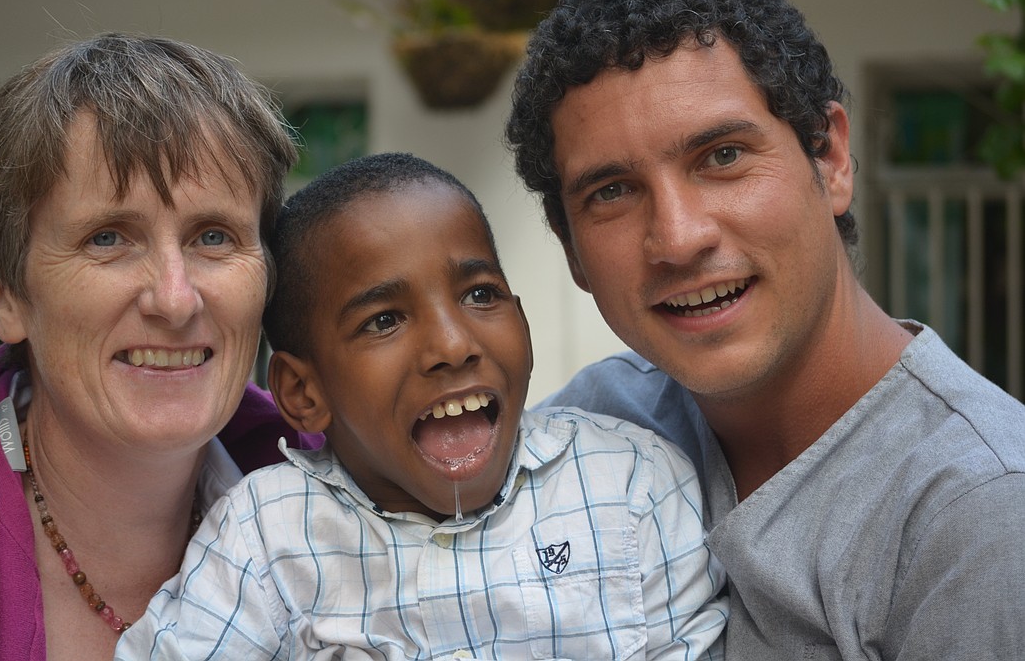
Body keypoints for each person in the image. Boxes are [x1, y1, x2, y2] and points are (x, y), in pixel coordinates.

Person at [504, 0, 1025, 660]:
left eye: (721, 156)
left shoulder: (981, 508)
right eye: (613, 192)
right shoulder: (590, 436)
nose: (678, 238)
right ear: (571, 250)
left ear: (830, 158)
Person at [115, 152, 727, 660]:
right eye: (384, 320)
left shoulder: (633, 484)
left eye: (480, 294)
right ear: (303, 392)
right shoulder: (266, 539)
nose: (452, 345)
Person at [0, 32, 322, 661]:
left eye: (213, 236)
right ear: (3, 294)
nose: (175, 298)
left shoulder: (358, 507)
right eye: (108, 238)